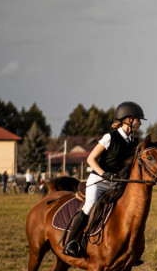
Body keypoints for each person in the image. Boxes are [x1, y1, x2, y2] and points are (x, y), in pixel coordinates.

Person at [62, 102, 145, 257]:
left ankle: (127, 249)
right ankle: (71, 243)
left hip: (117, 183)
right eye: (138, 119)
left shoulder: (133, 141)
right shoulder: (110, 137)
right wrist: (103, 173)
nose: (140, 123)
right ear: (128, 119)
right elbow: (90, 159)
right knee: (90, 206)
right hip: (98, 181)